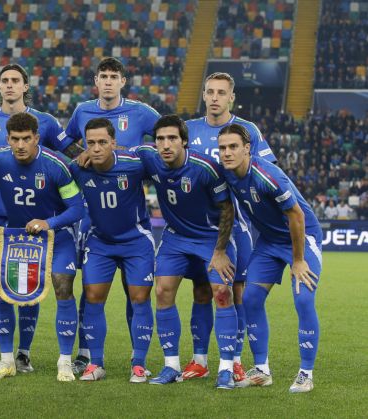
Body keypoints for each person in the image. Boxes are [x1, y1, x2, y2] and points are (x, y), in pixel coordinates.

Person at [0, 63, 76, 372]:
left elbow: (70, 156)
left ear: (26, 86)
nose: (10, 85)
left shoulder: (46, 123)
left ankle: (23, 352)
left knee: (29, 281)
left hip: (31, 218)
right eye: (5, 81)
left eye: (16, 81)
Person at [63, 57, 161, 373]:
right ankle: (86, 353)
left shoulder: (141, 112)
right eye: (102, 76)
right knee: (91, 288)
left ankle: (138, 358)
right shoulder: (82, 111)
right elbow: (64, 143)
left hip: (130, 203)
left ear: (122, 81)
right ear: (96, 81)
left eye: (113, 76)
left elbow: (168, 135)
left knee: (136, 292)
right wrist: (81, 156)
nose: (107, 81)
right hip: (93, 213)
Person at [183, 72, 277, 382]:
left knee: (236, 292)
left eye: (221, 93)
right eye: (209, 91)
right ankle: (199, 360)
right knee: (200, 291)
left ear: (231, 98)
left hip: (237, 226)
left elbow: (268, 170)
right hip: (198, 228)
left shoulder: (247, 130)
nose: (214, 97)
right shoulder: (190, 130)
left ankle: (235, 360)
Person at [0, 112, 84, 381]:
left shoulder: (56, 165)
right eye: (16, 139)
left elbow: (77, 208)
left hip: (55, 237)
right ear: (8, 139)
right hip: (18, 239)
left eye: (27, 139)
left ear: (37, 138)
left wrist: (49, 222)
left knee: (63, 285)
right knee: (2, 294)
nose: (21, 145)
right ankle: (6, 361)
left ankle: (64, 361)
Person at [135, 115, 238, 389]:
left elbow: (227, 208)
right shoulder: (148, 157)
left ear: (184, 141)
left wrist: (219, 250)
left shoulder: (205, 167)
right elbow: (118, 155)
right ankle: (171, 366)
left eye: (172, 138)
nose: (165, 144)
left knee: (220, 294)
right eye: (160, 139)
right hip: (175, 238)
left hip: (210, 238)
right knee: (162, 291)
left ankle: (225, 368)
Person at [217, 123, 322, 393]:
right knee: (250, 299)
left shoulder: (267, 175)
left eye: (233, 147)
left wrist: (298, 260)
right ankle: (262, 370)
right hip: (268, 242)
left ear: (247, 149)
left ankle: (305, 373)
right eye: (223, 148)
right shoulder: (227, 174)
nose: (227, 153)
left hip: (301, 237)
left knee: (303, 298)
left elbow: (297, 216)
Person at [69, 118, 154, 383]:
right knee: (93, 296)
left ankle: (139, 364)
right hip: (100, 241)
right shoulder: (78, 169)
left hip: (136, 240)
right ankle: (96, 363)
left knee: (139, 298)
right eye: (90, 143)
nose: (96, 148)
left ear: (114, 143)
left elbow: (165, 167)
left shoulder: (135, 164)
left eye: (102, 142)